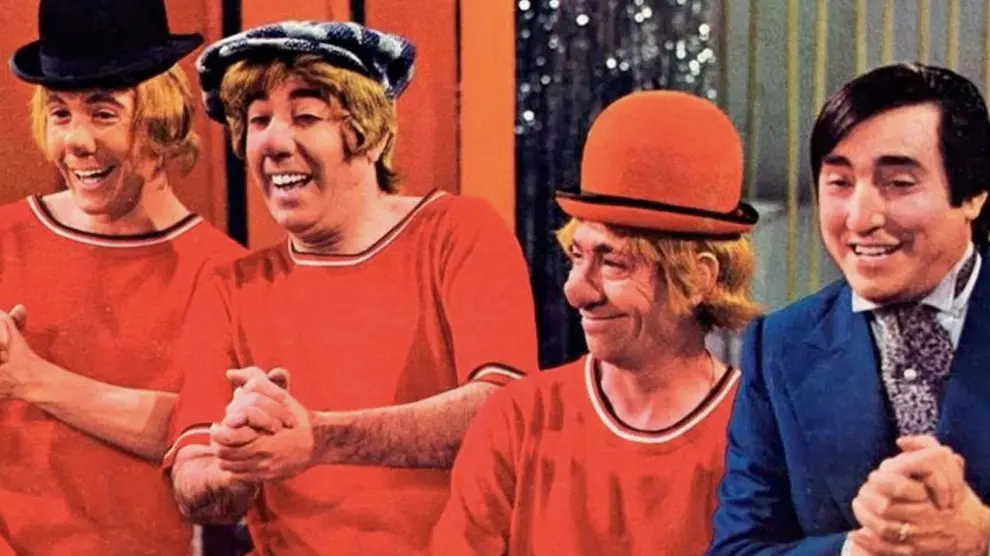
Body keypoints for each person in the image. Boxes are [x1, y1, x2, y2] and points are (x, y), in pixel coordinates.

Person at [162, 20, 539, 555]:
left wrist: (319, 437)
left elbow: (503, 411)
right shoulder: (231, 287)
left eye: (306, 116)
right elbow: (193, 478)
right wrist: (240, 455)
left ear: (373, 133)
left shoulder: (457, 232)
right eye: (259, 120)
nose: (274, 142)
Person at [429, 90, 761, 555]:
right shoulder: (519, 419)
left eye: (614, 263)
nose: (576, 290)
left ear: (698, 279)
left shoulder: (758, 435)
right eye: (576, 256)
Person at [709, 62, 990, 556]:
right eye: (839, 182)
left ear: (972, 195)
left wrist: (982, 537)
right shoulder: (780, 346)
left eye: (898, 183)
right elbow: (739, 549)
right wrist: (858, 550)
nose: (860, 219)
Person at [0, 0, 245, 554]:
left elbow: (202, 433)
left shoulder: (225, 273)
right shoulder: (6, 240)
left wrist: (31, 379)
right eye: (60, 113)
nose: (76, 141)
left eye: (103, 113)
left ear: (162, 121)